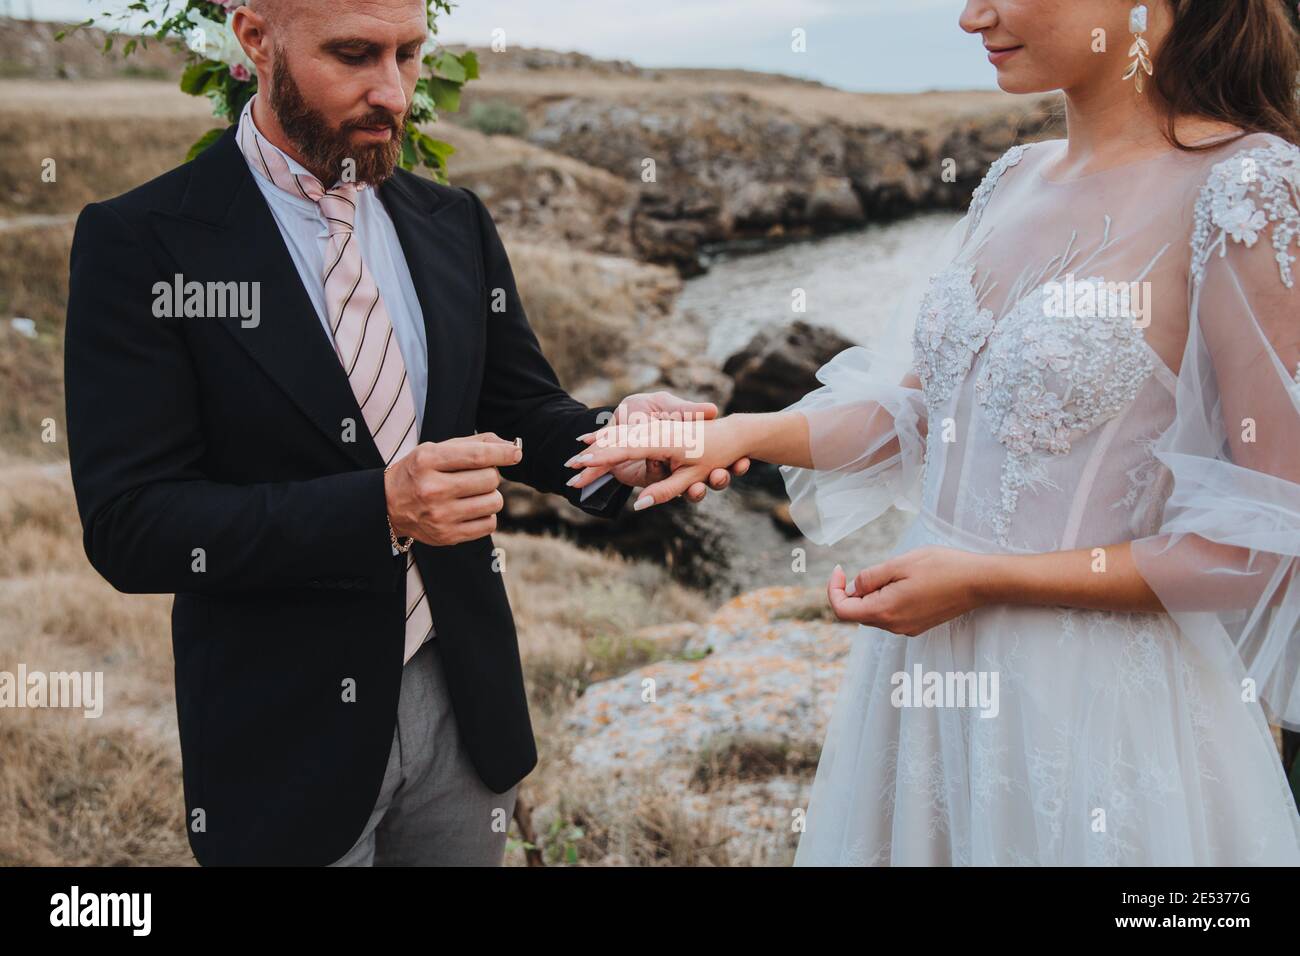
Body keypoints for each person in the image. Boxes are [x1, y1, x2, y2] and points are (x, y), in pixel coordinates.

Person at [568, 0, 1300, 864]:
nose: (970, 16)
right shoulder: (1015, 177)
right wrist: (735, 434)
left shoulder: (1249, 189)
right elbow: (917, 413)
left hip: (1094, 707)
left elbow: (1259, 540)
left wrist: (988, 579)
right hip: (920, 680)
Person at [63, 0, 745, 866]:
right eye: (353, 54)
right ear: (254, 36)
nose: (392, 91)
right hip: (282, 737)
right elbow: (132, 525)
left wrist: (617, 439)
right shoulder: (140, 244)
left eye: (410, 55)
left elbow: (523, 413)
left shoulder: (451, 221)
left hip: (466, 710)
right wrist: (380, 509)